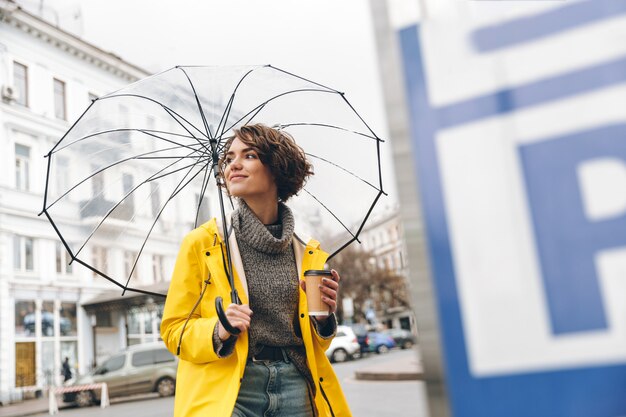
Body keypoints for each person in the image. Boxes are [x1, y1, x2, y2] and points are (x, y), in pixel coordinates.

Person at [161, 124, 351, 417]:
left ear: (277, 167)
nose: (234, 164)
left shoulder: (307, 252)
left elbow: (315, 345)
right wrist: (219, 329)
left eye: (249, 155)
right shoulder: (203, 244)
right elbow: (174, 331)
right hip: (230, 390)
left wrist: (324, 320)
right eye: (228, 158)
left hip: (294, 384)